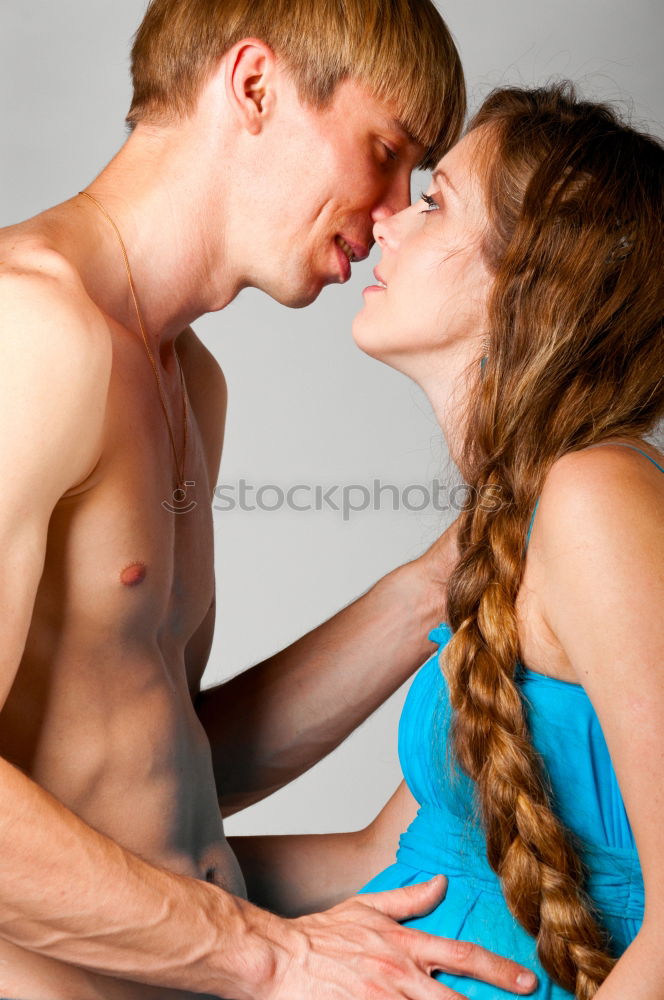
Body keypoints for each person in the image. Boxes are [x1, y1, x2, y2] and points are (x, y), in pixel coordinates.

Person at [0, 0, 540, 997]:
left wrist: (435, 585)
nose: (391, 215)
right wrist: (273, 952)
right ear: (254, 86)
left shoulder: (188, 377)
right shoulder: (28, 329)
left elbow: (156, 767)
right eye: (383, 150)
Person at [230, 83, 664, 998]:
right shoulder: (514, 521)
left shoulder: (597, 497)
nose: (386, 220)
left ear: (535, 276)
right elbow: (382, 858)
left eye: (434, 202)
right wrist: (122, 877)